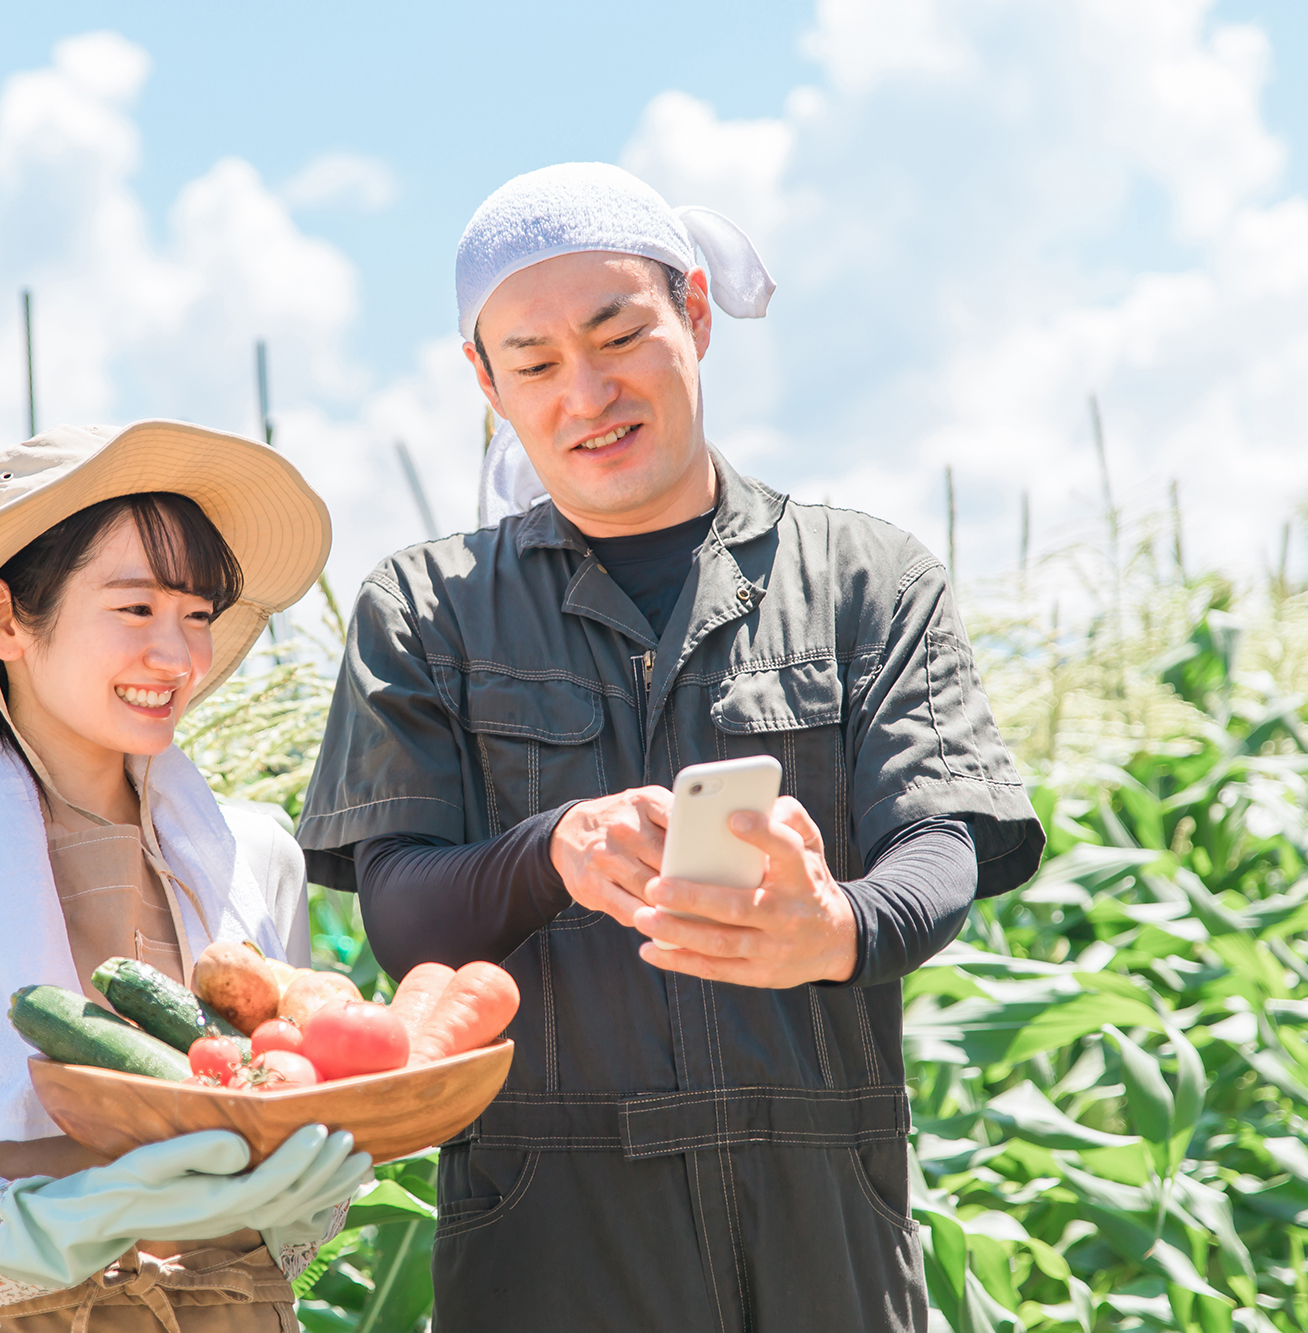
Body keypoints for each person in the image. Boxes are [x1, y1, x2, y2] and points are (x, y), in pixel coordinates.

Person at [297, 163, 1046, 1332]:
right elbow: (399, 917)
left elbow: (941, 840)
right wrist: (555, 850)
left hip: (827, 1225)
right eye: (534, 363)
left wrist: (837, 927)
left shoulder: (864, 580)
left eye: (618, 337)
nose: (584, 394)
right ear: (484, 381)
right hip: (545, 1242)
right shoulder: (424, 610)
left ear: (694, 315)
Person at [0, 421, 373, 1333]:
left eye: (197, 614)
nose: (180, 657)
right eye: (137, 608)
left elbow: (289, 1233)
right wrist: (108, 1209)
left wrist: (309, 1195)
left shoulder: (253, 854)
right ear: (3, 619)